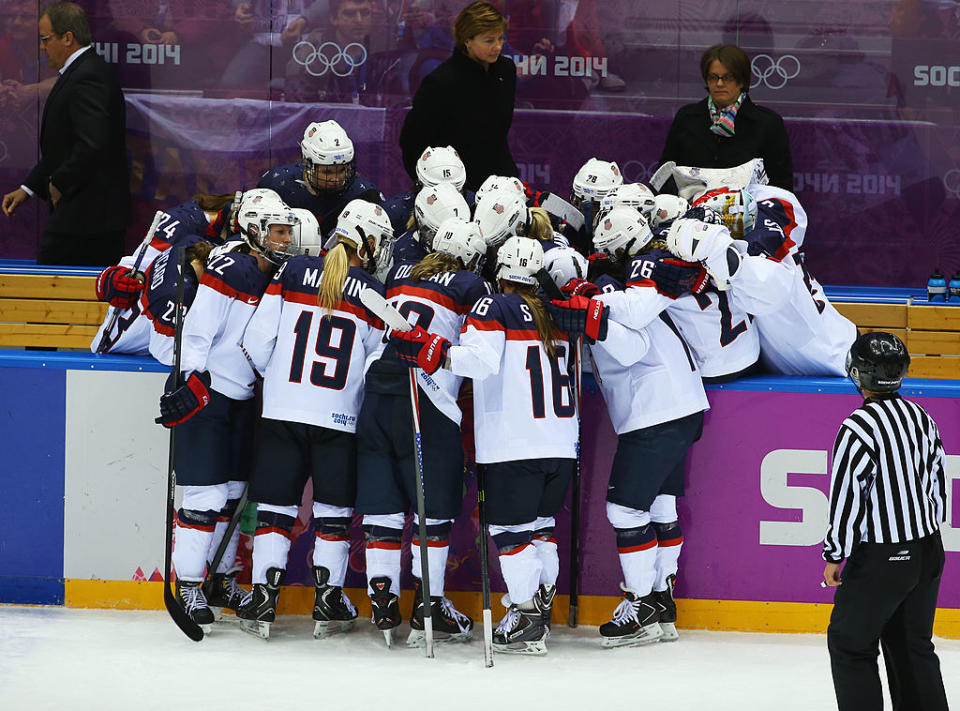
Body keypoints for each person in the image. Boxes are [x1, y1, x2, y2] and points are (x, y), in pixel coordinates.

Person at [390, 236, 581, 655]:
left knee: (512, 533)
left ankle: (528, 615)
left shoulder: (493, 305)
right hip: (563, 444)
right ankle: (539, 608)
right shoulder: (558, 312)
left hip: (513, 444)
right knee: (542, 529)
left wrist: (431, 351)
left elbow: (478, 360)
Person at [237, 200, 392, 640]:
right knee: (333, 513)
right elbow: (375, 366)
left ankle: (264, 597)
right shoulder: (373, 295)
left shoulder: (290, 273)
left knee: (274, 508)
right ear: (371, 243)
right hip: (339, 419)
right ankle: (328, 599)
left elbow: (256, 340)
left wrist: (284, 383)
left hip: (283, 411)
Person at [154, 188, 300, 629]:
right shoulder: (231, 268)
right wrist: (191, 379)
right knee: (207, 495)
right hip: (208, 392)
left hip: (240, 398)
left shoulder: (268, 271)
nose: (285, 240)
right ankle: (190, 583)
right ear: (254, 230)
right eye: (277, 231)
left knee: (235, 492)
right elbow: (196, 333)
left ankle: (219, 577)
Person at [356, 217, 488, 648]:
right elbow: (477, 357)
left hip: (376, 389)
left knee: (384, 501)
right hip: (426, 396)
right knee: (433, 511)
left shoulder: (399, 272)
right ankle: (428, 606)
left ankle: (382, 596)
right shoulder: (471, 285)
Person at [823, 332, 948, 711]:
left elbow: (847, 497)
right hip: (928, 549)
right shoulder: (921, 416)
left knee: (850, 643)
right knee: (912, 645)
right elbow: (938, 484)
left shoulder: (858, 427)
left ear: (858, 374)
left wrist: (835, 553)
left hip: (884, 557)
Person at [1, 2, 130, 265]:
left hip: (88, 219)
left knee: (51, 288)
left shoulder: (88, 76)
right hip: (82, 215)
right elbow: (63, 147)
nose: (42, 46)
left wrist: (58, 182)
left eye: (46, 39)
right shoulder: (80, 72)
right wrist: (27, 189)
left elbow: (92, 145)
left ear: (68, 38)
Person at [399, 1, 518, 191]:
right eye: (489, 40)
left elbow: (498, 134)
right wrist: (431, 186)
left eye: (500, 38)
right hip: (454, 187)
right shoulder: (440, 82)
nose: (497, 46)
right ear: (467, 41)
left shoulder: (506, 70)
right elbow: (412, 142)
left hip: (500, 180)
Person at [658, 44, 793, 193]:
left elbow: (781, 186)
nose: (719, 84)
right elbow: (666, 174)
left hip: (747, 212)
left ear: (742, 81)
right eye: (713, 77)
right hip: (691, 210)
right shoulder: (686, 118)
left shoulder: (767, 124)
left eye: (727, 77)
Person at [257, 119, 382, 239]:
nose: (335, 179)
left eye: (342, 170)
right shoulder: (277, 185)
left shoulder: (364, 195)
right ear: (308, 163)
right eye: (327, 172)